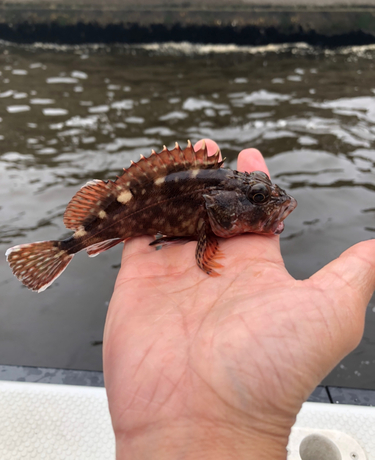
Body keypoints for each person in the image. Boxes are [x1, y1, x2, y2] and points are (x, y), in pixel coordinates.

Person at [103, 139, 375, 459]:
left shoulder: (216, 196)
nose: (272, 204)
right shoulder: (211, 203)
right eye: (258, 199)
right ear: (216, 204)